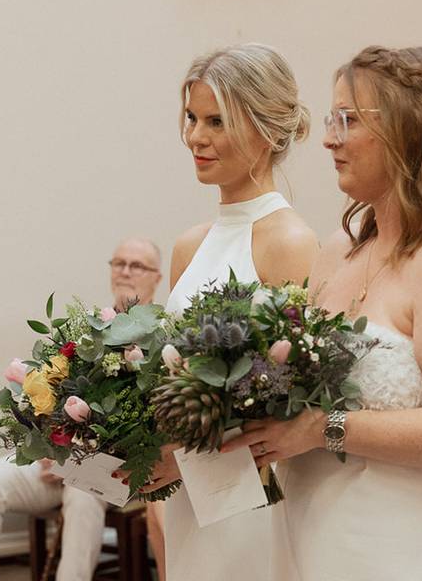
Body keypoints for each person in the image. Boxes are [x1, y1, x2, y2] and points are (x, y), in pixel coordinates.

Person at [221, 45, 422, 580]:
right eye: (332, 118)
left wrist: (323, 429)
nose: (329, 137)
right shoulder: (341, 248)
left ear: (410, 129)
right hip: (312, 525)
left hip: (406, 539)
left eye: (347, 120)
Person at [130, 43, 318, 581]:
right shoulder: (189, 245)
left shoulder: (291, 242)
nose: (195, 137)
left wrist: (184, 459)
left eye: (216, 121)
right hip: (191, 498)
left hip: (255, 501)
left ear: (267, 130)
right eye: (192, 118)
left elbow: (291, 400)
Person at [0, 237, 163, 581]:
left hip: (123, 471)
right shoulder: (89, 329)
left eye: (137, 265)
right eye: (119, 263)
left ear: (157, 277)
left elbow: (151, 423)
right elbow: (55, 397)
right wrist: (53, 448)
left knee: (82, 492)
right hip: (59, 459)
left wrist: (81, 460)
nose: (126, 271)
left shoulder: (160, 335)